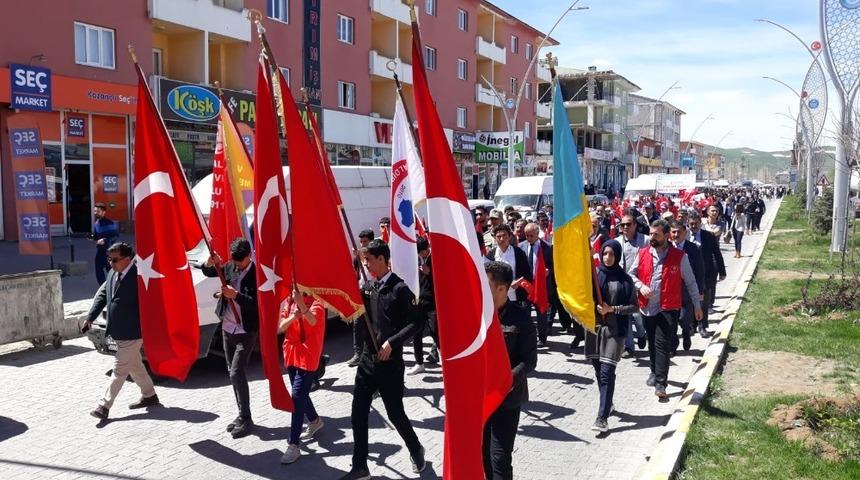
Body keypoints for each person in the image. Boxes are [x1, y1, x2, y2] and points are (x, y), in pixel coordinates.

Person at [340, 240, 425, 480]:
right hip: (368, 362)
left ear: (382, 259)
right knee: (358, 413)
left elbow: (416, 323)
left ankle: (416, 448)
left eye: (369, 260)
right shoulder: (368, 288)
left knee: (395, 413)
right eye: (364, 261)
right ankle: (360, 466)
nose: (366, 265)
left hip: (390, 363)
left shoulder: (399, 289)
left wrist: (392, 342)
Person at [84, 242, 159, 420]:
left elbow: (152, 304)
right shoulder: (112, 272)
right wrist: (90, 317)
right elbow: (103, 295)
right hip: (117, 331)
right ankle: (150, 395)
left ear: (127, 259)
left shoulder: (140, 275)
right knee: (135, 365)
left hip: (133, 332)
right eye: (109, 259)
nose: (111, 263)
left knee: (119, 370)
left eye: (115, 260)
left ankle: (104, 406)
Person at [629, 220, 702, 399]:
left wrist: (697, 306)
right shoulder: (643, 253)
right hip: (647, 308)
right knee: (652, 341)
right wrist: (640, 286)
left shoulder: (680, 256)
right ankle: (654, 371)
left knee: (662, 344)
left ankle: (661, 383)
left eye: (656, 235)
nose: (652, 238)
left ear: (666, 236)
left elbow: (691, 282)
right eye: (651, 234)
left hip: (668, 308)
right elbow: (631, 274)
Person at [482, 261, 537, 479]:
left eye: (486, 285)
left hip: (507, 398)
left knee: (500, 459)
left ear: (502, 289)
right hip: (481, 398)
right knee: (482, 454)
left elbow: (530, 361)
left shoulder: (520, 317)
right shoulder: (478, 315)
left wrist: (505, 379)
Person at [202, 238, 258, 438]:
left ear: (249, 256)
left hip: (246, 331)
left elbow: (258, 306)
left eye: (240, 262)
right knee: (231, 372)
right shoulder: (231, 266)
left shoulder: (257, 275)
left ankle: (246, 417)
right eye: (234, 261)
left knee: (236, 373)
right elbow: (210, 272)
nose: (236, 265)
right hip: (227, 328)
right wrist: (209, 262)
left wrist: (237, 296)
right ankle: (241, 414)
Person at [586, 240, 637, 433]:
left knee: (607, 372)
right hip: (594, 329)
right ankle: (608, 403)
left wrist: (612, 309)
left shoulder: (625, 280)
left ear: (618, 256)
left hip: (615, 331)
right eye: (605, 254)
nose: (608, 258)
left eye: (612, 254)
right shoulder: (593, 274)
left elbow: (634, 306)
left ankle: (602, 417)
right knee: (599, 372)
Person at [278, 289, 327, 464]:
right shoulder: (289, 301)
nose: (293, 289)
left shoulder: (317, 301)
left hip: (308, 354)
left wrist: (301, 305)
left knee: (297, 397)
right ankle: (315, 420)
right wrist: (294, 316)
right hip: (291, 352)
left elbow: (314, 321)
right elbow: (280, 327)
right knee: (300, 394)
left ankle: (294, 444)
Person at [688, 211, 726, 336]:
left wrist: (722, 271)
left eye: (696, 224)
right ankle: (693, 325)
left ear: (700, 223)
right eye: (691, 224)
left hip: (706, 274)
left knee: (703, 302)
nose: (694, 227)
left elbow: (717, 253)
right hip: (689, 275)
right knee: (692, 301)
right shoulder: (685, 236)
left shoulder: (708, 236)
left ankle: (703, 326)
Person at [669, 221, 704, 353]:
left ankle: (686, 333)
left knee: (684, 318)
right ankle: (673, 344)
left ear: (685, 233)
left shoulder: (693, 248)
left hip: (687, 291)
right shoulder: (666, 248)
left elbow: (699, 270)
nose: (676, 235)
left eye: (679, 232)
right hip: (670, 291)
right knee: (671, 320)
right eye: (673, 232)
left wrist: (700, 291)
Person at [520, 223, 555, 348]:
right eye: (527, 235)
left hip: (541, 285)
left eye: (531, 235)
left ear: (537, 234)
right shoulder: (521, 246)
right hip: (526, 286)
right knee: (525, 312)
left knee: (541, 312)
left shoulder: (547, 247)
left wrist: (549, 271)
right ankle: (527, 336)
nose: (529, 238)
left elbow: (554, 265)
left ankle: (542, 338)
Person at [617, 213, 648, 353]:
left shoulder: (645, 240)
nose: (625, 227)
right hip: (624, 284)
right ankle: (629, 346)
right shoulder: (617, 242)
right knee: (626, 315)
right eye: (622, 225)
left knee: (637, 315)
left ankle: (641, 333)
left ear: (635, 225)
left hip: (641, 283)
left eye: (628, 224)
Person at [409, 237, 439, 374]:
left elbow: (442, 280)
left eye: (422, 252)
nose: (420, 255)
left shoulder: (436, 258)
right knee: (416, 332)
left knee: (435, 333)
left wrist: (430, 273)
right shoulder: (416, 260)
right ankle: (419, 363)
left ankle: (444, 362)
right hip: (419, 301)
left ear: (427, 249)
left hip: (433, 303)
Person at [348, 229, 376, 368]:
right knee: (357, 324)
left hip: (374, 294)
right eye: (361, 242)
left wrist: (364, 260)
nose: (363, 244)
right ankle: (358, 353)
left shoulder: (376, 254)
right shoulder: (357, 258)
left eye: (365, 241)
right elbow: (357, 274)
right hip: (361, 294)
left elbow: (375, 272)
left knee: (374, 324)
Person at [485, 224, 532, 303]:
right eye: (498, 236)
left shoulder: (518, 252)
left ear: (510, 237)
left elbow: (526, 273)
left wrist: (518, 282)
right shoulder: (491, 255)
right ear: (495, 238)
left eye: (504, 236)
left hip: (516, 295)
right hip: (498, 297)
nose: (502, 239)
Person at [91, 203, 119, 286]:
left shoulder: (109, 223)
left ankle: (114, 286)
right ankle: (103, 287)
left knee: (110, 270)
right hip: (100, 251)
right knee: (98, 270)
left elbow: (115, 236)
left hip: (109, 251)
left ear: (104, 212)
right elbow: (96, 236)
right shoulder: (97, 223)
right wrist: (91, 237)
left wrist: (105, 240)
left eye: (98, 211)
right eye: (95, 211)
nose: (96, 213)